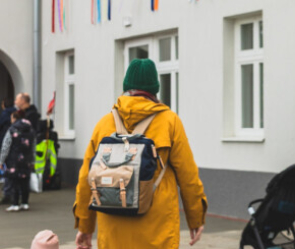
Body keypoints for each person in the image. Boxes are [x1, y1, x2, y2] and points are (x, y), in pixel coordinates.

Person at [73, 59, 206, 249]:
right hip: (157, 229)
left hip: (112, 230)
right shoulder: (170, 122)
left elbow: (86, 177)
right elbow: (188, 176)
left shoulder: (104, 123)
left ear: (127, 87)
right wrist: (196, 218)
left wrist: (85, 226)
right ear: (154, 88)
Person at [0, 109, 35, 211]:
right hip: (27, 160)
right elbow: (33, 146)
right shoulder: (31, 130)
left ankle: (15, 204)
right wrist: (32, 160)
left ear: (15, 118)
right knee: (25, 182)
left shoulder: (12, 129)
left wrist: (1, 161)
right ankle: (25, 203)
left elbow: (5, 146)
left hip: (13, 160)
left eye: (11, 118)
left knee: (14, 182)